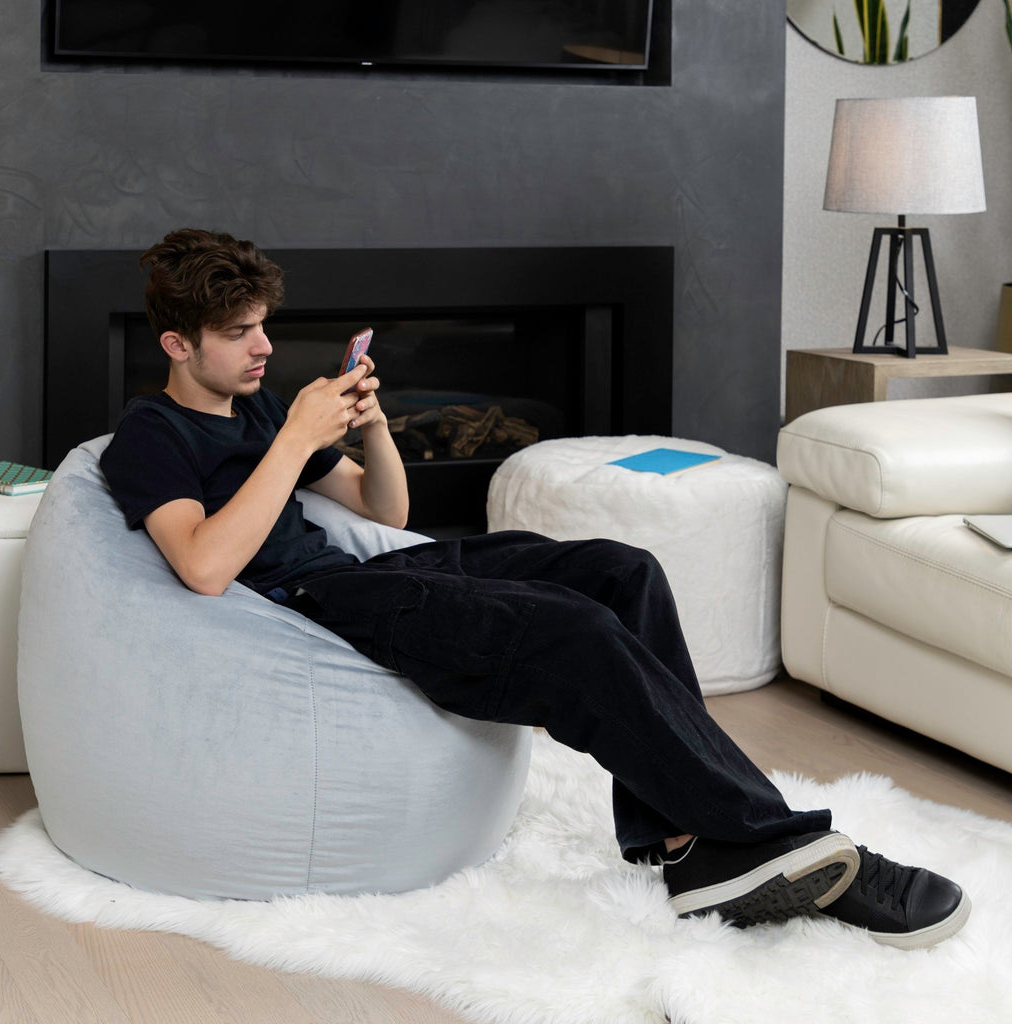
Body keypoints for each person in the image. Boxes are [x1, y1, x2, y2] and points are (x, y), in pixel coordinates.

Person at [100, 228, 970, 949]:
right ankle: (783, 843)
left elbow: (385, 508)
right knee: (574, 636)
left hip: (381, 568)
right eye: (240, 334)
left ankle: (677, 835)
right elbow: (205, 567)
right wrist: (292, 440)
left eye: (263, 326)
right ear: (178, 345)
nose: (264, 347)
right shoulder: (150, 435)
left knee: (622, 573)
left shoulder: (255, 408)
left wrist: (374, 429)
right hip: (324, 610)